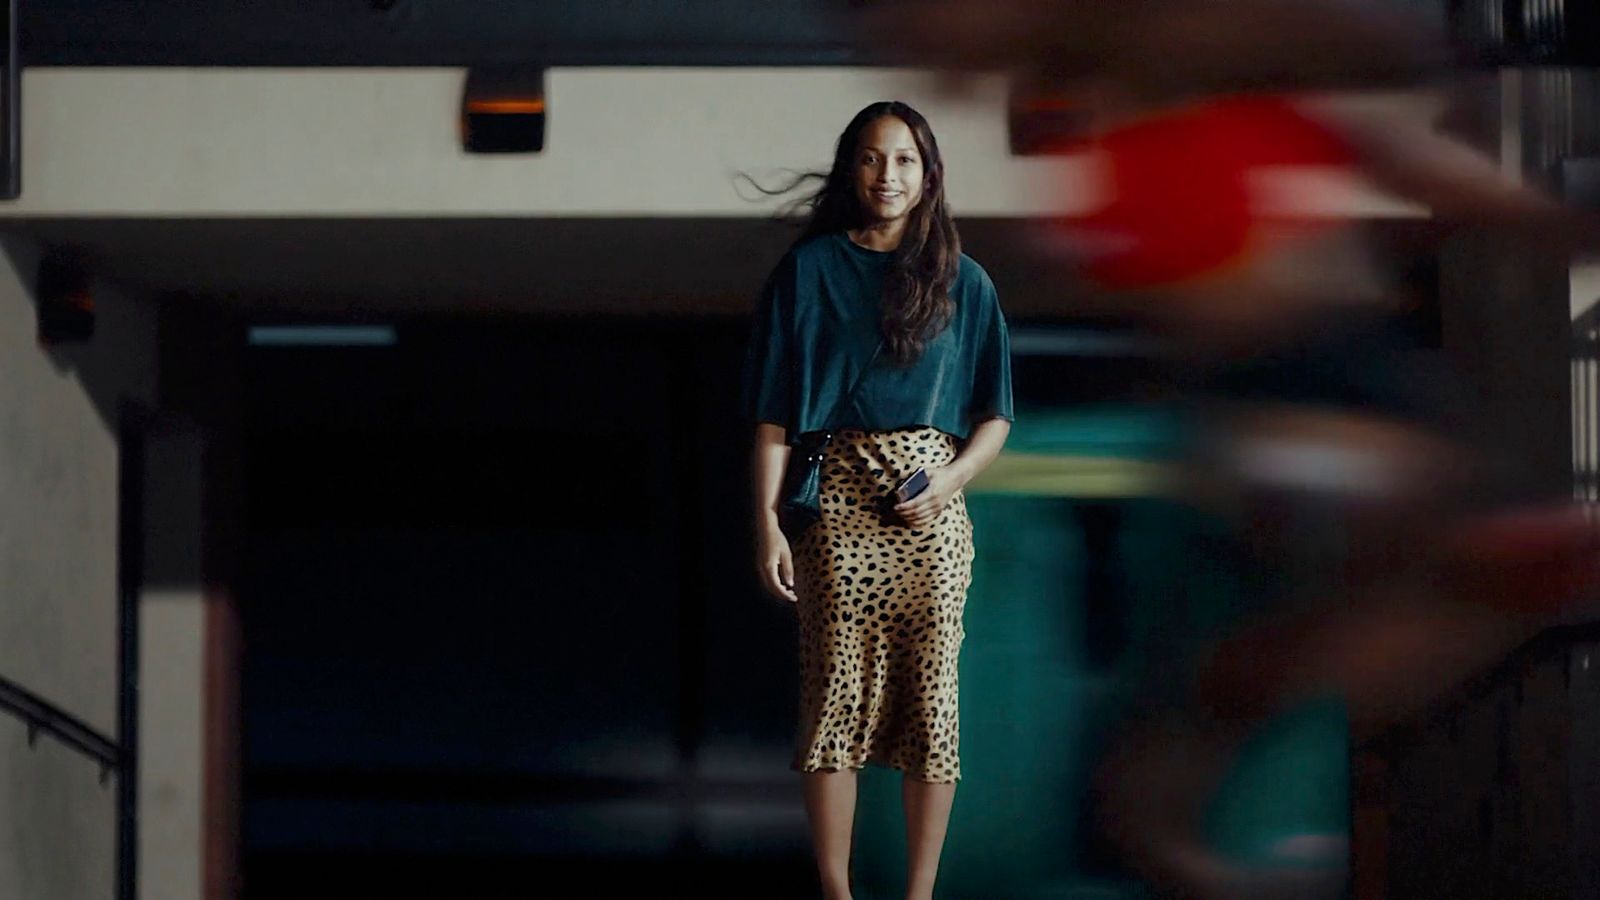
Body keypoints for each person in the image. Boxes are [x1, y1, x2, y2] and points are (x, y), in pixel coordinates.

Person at [854, 3, 1600, 897]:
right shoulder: (1170, 125)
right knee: (1428, 557)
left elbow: (1414, 166)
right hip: (1288, 388)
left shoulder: (1242, 123)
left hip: (1331, 383)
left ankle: (1195, 757)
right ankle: (1182, 774)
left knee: (1446, 578)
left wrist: (1527, 207)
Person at [742, 101, 1014, 900]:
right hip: (836, 504)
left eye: (902, 160)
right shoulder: (809, 271)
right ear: (849, 169)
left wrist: (952, 479)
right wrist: (766, 524)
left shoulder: (965, 281)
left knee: (933, 701)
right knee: (832, 696)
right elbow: (773, 415)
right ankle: (837, 890)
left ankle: (919, 893)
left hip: (931, 511)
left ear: (927, 174)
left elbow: (996, 414)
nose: (886, 175)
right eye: (869, 157)